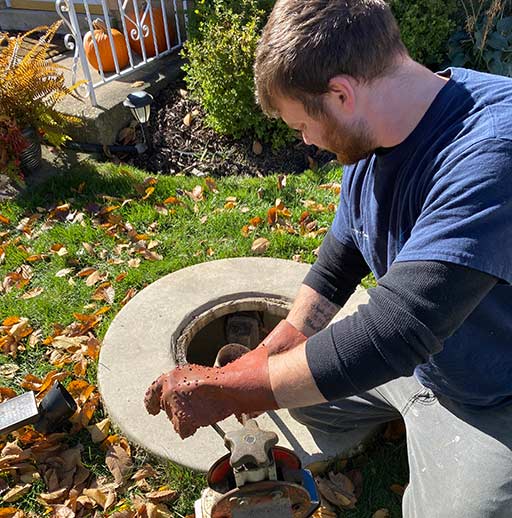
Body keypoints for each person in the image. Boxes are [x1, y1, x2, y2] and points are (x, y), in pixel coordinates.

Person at [144, 1, 512, 516]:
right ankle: (407, 414)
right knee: (291, 390)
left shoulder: (491, 152)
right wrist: (261, 361)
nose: (306, 142)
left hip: (495, 394)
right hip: (425, 360)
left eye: (302, 126)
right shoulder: (378, 130)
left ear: (341, 93)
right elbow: (341, 259)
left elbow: (398, 330)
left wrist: (229, 391)